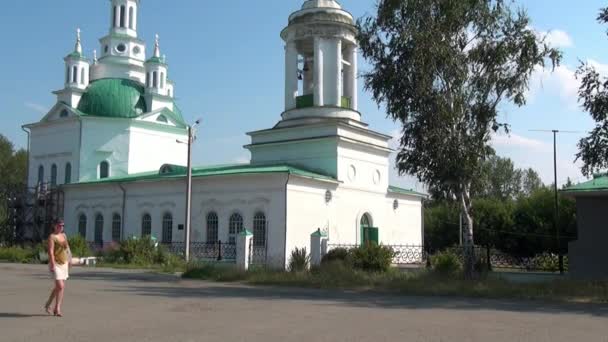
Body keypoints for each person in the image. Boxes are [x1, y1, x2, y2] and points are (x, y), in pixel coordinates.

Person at [45, 218, 71, 317]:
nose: (61, 227)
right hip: (55, 264)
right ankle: (50, 304)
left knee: (59, 287)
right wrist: (52, 263)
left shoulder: (63, 235)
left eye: (63, 226)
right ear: (54, 226)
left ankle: (57, 308)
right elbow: (50, 251)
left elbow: (67, 248)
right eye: (59, 225)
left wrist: (70, 259)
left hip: (64, 263)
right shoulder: (52, 237)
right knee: (60, 286)